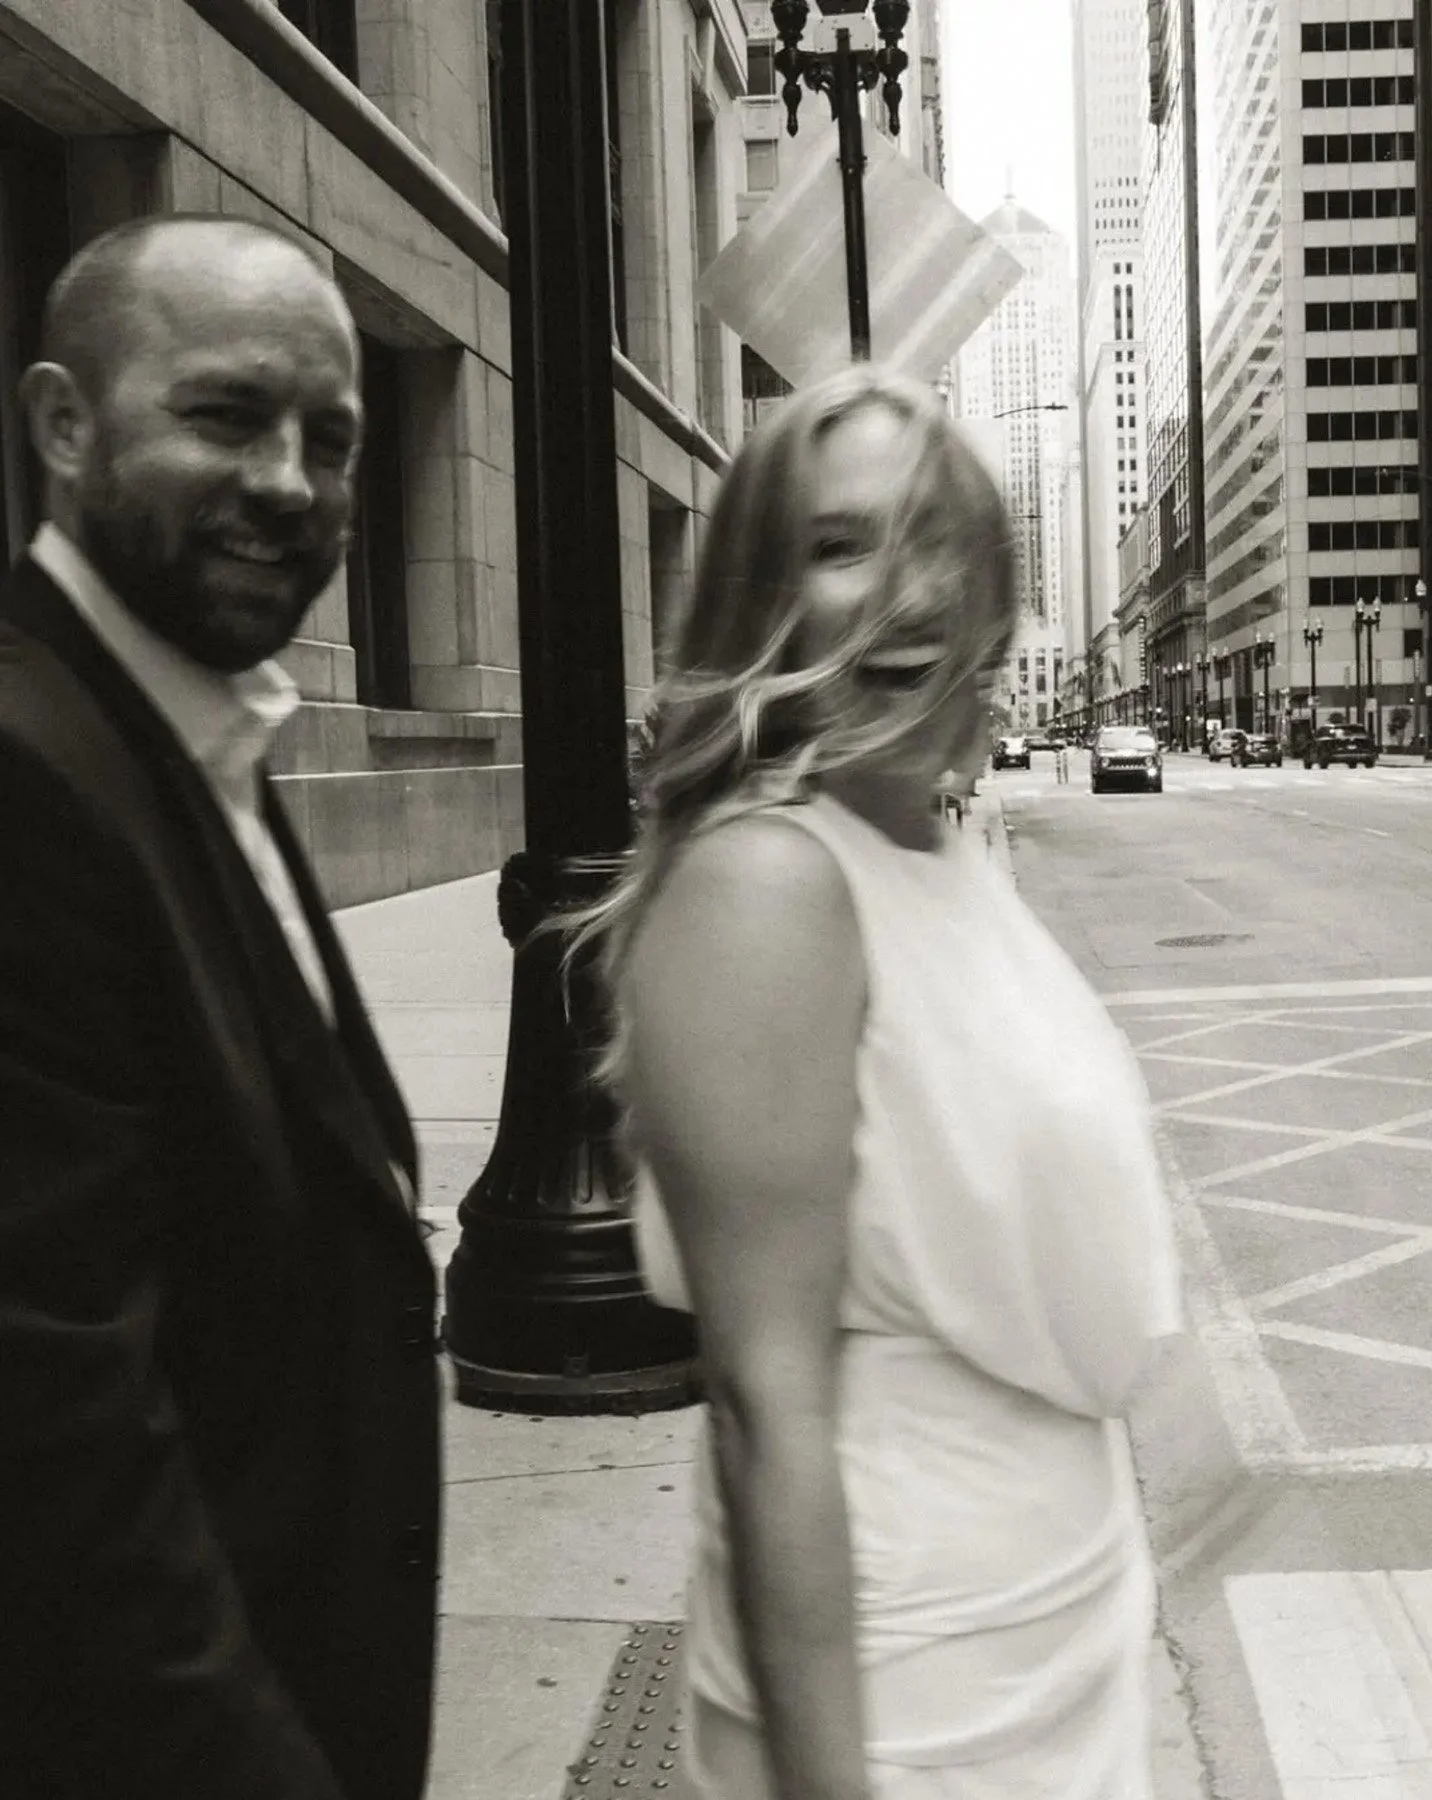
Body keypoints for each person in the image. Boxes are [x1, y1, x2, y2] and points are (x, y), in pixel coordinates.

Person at [559, 365, 1185, 1800]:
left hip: (1047, 1641)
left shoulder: (928, 847)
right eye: (842, 546)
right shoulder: (771, 888)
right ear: (760, 593)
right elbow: (763, 1408)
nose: (905, 594)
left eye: (938, 540)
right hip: (907, 1703)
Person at [0, 216, 440, 1800]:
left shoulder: (186, 731)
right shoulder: (31, 779)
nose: (288, 484)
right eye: (224, 417)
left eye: (329, 441)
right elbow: (57, 1439)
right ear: (64, 425)